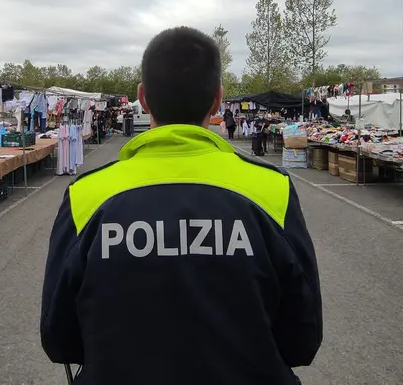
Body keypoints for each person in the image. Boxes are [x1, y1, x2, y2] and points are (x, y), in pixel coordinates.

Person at [40, 26, 322, 385]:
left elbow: (59, 338)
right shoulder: (271, 190)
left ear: (143, 98)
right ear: (218, 99)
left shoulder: (88, 195)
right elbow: (302, 338)